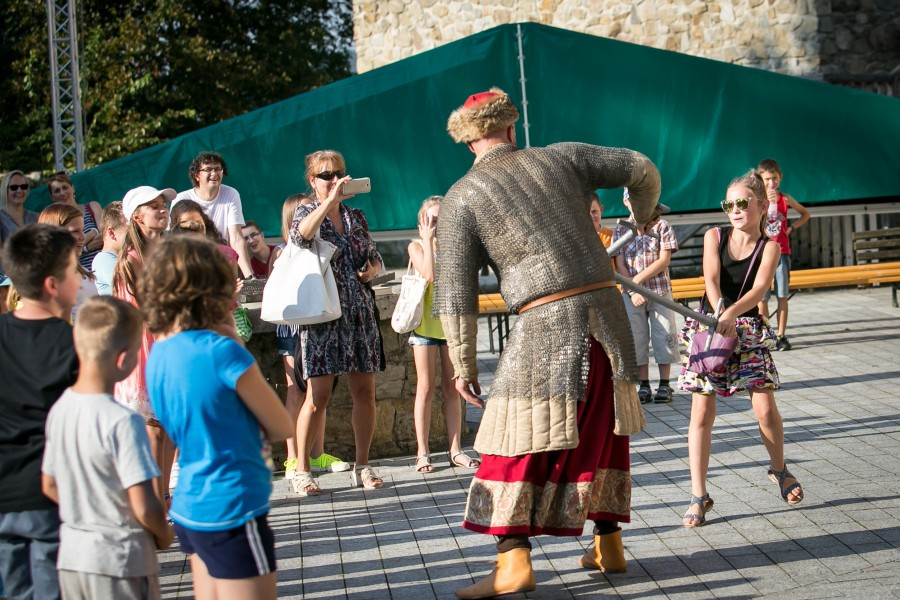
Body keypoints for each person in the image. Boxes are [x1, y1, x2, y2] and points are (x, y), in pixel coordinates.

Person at [434, 88, 660, 599]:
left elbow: (454, 294)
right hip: (609, 321)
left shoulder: (461, 197)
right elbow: (641, 168)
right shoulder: (563, 157)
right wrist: (644, 217)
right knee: (601, 433)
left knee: (508, 447)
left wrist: (463, 363)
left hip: (546, 326)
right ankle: (609, 545)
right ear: (511, 127)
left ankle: (512, 562)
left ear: (468, 141)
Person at [142, 235, 293, 600]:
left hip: (190, 506)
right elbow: (281, 426)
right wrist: (234, 343)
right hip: (234, 506)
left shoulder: (158, 353)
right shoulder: (224, 352)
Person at [678, 170, 803, 528]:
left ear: (762, 206)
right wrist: (720, 314)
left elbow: (761, 289)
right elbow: (711, 280)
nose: (734, 209)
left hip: (746, 331)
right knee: (701, 413)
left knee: (764, 408)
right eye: (728, 203)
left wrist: (732, 314)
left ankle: (779, 470)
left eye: (742, 203)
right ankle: (699, 495)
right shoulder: (713, 236)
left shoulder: (771, 246)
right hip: (711, 329)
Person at [42, 296, 174, 600]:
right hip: (121, 558)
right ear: (125, 359)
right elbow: (143, 505)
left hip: (73, 557)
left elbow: (49, 483)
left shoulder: (59, 410)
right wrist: (164, 535)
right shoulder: (123, 422)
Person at [290, 150, 384, 495]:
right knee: (318, 395)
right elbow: (301, 236)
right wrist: (326, 202)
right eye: (326, 175)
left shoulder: (355, 215)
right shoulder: (305, 211)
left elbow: (373, 255)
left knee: (365, 391)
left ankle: (363, 464)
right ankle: (302, 469)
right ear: (312, 180)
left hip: (359, 312)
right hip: (323, 315)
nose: (334, 179)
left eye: (339, 173)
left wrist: (372, 269)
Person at [0, 224, 81, 600]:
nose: (79, 281)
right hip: (51, 495)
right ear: (52, 284)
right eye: (73, 271)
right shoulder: (73, 345)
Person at [269, 194, 350, 480]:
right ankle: (293, 457)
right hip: (293, 327)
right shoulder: (283, 250)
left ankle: (317, 453)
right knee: (296, 390)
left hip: (318, 325)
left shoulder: (321, 243)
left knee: (319, 391)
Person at [113, 185, 176, 506]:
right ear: (137, 216)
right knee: (153, 428)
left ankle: (164, 496)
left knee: (166, 429)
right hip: (145, 350)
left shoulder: (166, 250)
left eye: (162, 203)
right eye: (153, 206)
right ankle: (152, 503)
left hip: (167, 344)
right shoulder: (130, 261)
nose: (162, 208)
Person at [408, 196, 479, 474]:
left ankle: (455, 450)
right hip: (425, 328)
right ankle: (422, 452)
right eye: (431, 220)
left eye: (441, 219)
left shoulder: (455, 249)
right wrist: (427, 240)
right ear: (421, 223)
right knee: (425, 388)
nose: (436, 226)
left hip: (450, 328)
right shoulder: (415, 246)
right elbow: (428, 275)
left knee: (452, 390)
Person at [613, 188, 680, 404]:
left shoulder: (662, 226)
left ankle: (664, 384)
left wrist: (637, 282)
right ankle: (643, 384)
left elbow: (663, 260)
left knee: (664, 334)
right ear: (625, 201)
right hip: (632, 295)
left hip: (659, 291)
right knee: (637, 336)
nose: (637, 202)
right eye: (632, 198)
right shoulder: (620, 229)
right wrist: (633, 290)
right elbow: (619, 263)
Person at [756, 158, 809, 351]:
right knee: (762, 298)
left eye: (775, 179)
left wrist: (791, 228)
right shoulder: (758, 201)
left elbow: (805, 214)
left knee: (782, 295)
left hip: (782, 253)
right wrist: (767, 204)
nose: (771, 183)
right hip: (763, 255)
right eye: (767, 179)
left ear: (780, 178)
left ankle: (781, 336)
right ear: (760, 179)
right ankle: (765, 335)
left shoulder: (784, 199)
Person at [173, 151, 253, 277]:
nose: (214, 173)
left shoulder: (231, 194)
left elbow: (236, 238)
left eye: (218, 169)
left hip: (223, 262)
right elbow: (176, 239)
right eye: (208, 169)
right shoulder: (180, 199)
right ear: (197, 175)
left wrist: (249, 276)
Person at [37, 203, 99, 320]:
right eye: (75, 231)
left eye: (82, 230)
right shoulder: (51, 276)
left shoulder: (81, 270)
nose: (83, 236)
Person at [47, 172, 103, 270]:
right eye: (57, 190)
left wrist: (81, 248)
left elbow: (105, 236)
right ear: (52, 197)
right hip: (79, 276)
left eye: (65, 187)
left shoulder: (92, 207)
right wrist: (93, 232)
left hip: (103, 268)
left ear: (72, 188)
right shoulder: (54, 222)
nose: (62, 193)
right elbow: (65, 252)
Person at [0, 171, 39, 264]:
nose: (19, 190)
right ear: (5, 190)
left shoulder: (36, 217)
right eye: (14, 187)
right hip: (8, 275)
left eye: (23, 186)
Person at [91, 202, 128, 296]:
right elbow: (129, 286)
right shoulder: (103, 259)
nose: (136, 236)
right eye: (129, 232)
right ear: (111, 233)